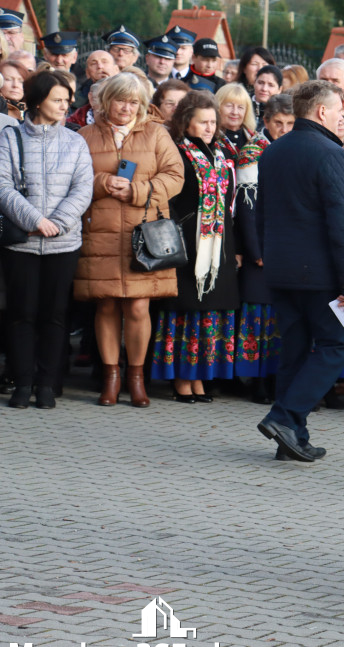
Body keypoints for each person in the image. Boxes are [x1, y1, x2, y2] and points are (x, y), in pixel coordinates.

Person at [254, 79, 344, 462]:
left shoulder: (273, 151)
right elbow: (343, 225)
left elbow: (261, 213)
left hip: (281, 269)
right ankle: (284, 417)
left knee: (295, 351)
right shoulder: (331, 153)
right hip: (320, 274)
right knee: (336, 346)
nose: (342, 118)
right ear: (321, 112)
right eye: (338, 111)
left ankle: (292, 438)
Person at [74, 71, 185, 407]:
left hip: (145, 234)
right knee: (106, 303)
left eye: (134, 101)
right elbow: (72, 179)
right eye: (121, 99)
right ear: (107, 101)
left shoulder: (156, 134)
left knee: (138, 307)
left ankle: (136, 377)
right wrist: (100, 183)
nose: (126, 107)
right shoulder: (84, 135)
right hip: (101, 233)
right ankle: (111, 376)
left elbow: (175, 177)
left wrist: (138, 190)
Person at [0, 71, 92, 409]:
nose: (65, 106)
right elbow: (2, 186)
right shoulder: (9, 139)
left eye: (68, 100)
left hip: (63, 244)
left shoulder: (75, 141)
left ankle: (47, 385)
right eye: (58, 100)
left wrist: (57, 222)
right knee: (21, 313)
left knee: (55, 315)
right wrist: (34, 220)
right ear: (37, 101)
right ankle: (23, 383)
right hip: (21, 241)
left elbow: (83, 189)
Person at [149, 91, 239, 402]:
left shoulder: (223, 154)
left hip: (219, 244)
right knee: (185, 311)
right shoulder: (177, 153)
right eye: (203, 122)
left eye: (213, 122)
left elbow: (230, 205)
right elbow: (169, 200)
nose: (209, 128)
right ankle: (180, 378)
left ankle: (200, 376)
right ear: (187, 122)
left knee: (210, 311)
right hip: (187, 242)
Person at [234, 94, 293, 405]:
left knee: (280, 319)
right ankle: (255, 379)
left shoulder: (294, 150)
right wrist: (257, 249)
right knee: (257, 317)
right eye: (277, 123)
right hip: (262, 246)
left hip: (288, 245)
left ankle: (274, 377)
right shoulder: (252, 153)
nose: (283, 129)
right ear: (266, 122)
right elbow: (247, 208)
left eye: (289, 124)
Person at [215, 83, 256, 158]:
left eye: (240, 107)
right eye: (229, 106)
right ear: (218, 107)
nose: (235, 112)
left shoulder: (254, 139)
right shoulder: (210, 137)